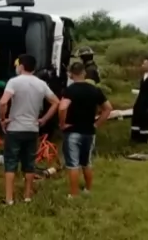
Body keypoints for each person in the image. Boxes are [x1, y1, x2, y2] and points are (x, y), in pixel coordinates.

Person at [0, 54, 60, 205]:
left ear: (21, 66)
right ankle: (27, 197)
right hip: (32, 129)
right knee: (29, 164)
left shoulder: (14, 82)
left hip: (15, 128)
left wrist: (2, 119)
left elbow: (3, 102)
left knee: (11, 163)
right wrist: (44, 119)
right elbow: (56, 102)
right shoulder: (41, 84)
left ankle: (9, 199)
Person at [59, 62, 112, 198]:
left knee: (73, 164)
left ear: (70, 74)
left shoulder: (70, 90)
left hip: (73, 131)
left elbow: (63, 107)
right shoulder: (95, 90)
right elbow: (108, 108)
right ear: (84, 73)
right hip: (89, 131)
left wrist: (63, 123)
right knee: (86, 162)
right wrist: (97, 124)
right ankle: (88, 189)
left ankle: (74, 193)